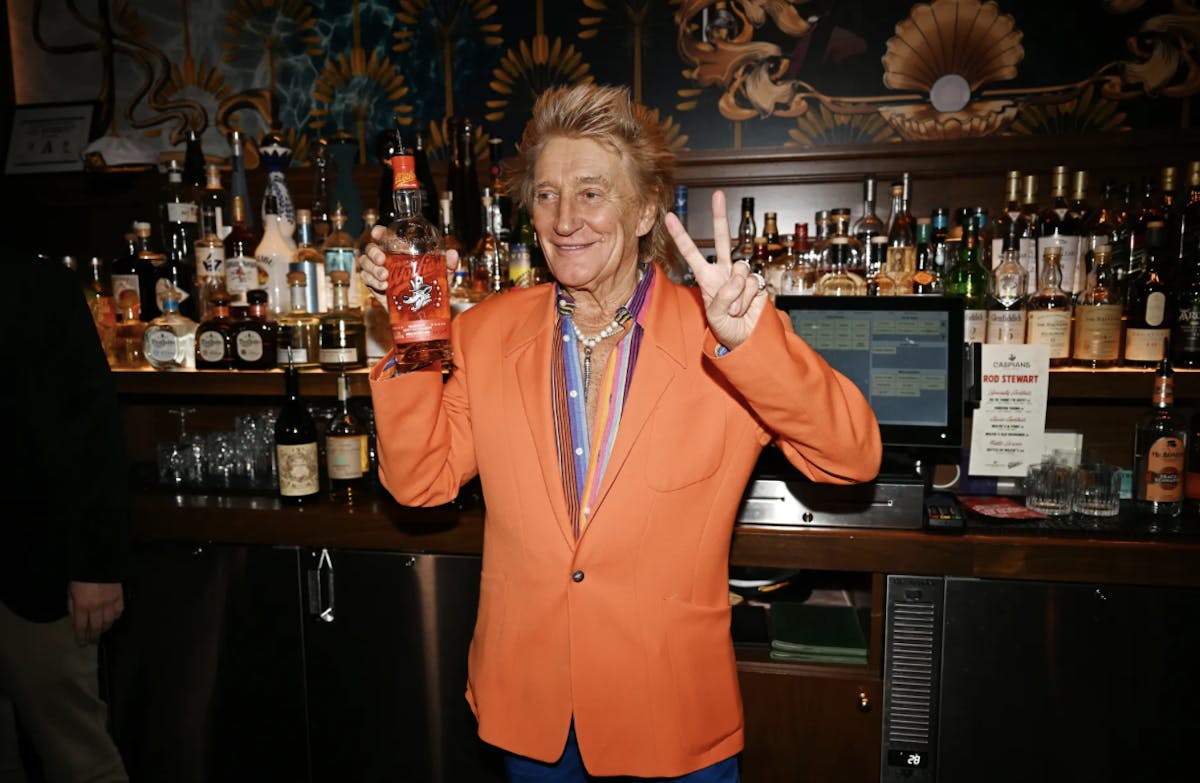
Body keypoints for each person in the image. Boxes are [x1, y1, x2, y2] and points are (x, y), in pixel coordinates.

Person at [358, 83, 881, 781]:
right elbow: (419, 484)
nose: (565, 219)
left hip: (670, 713)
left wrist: (752, 342)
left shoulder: (720, 333)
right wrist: (410, 333)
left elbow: (851, 459)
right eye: (546, 195)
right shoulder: (484, 332)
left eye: (592, 193)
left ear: (644, 211)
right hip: (534, 714)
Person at [0, 250, 130, 782]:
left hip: (32, 569)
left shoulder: (35, 284)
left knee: (77, 757)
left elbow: (92, 428)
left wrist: (97, 565)